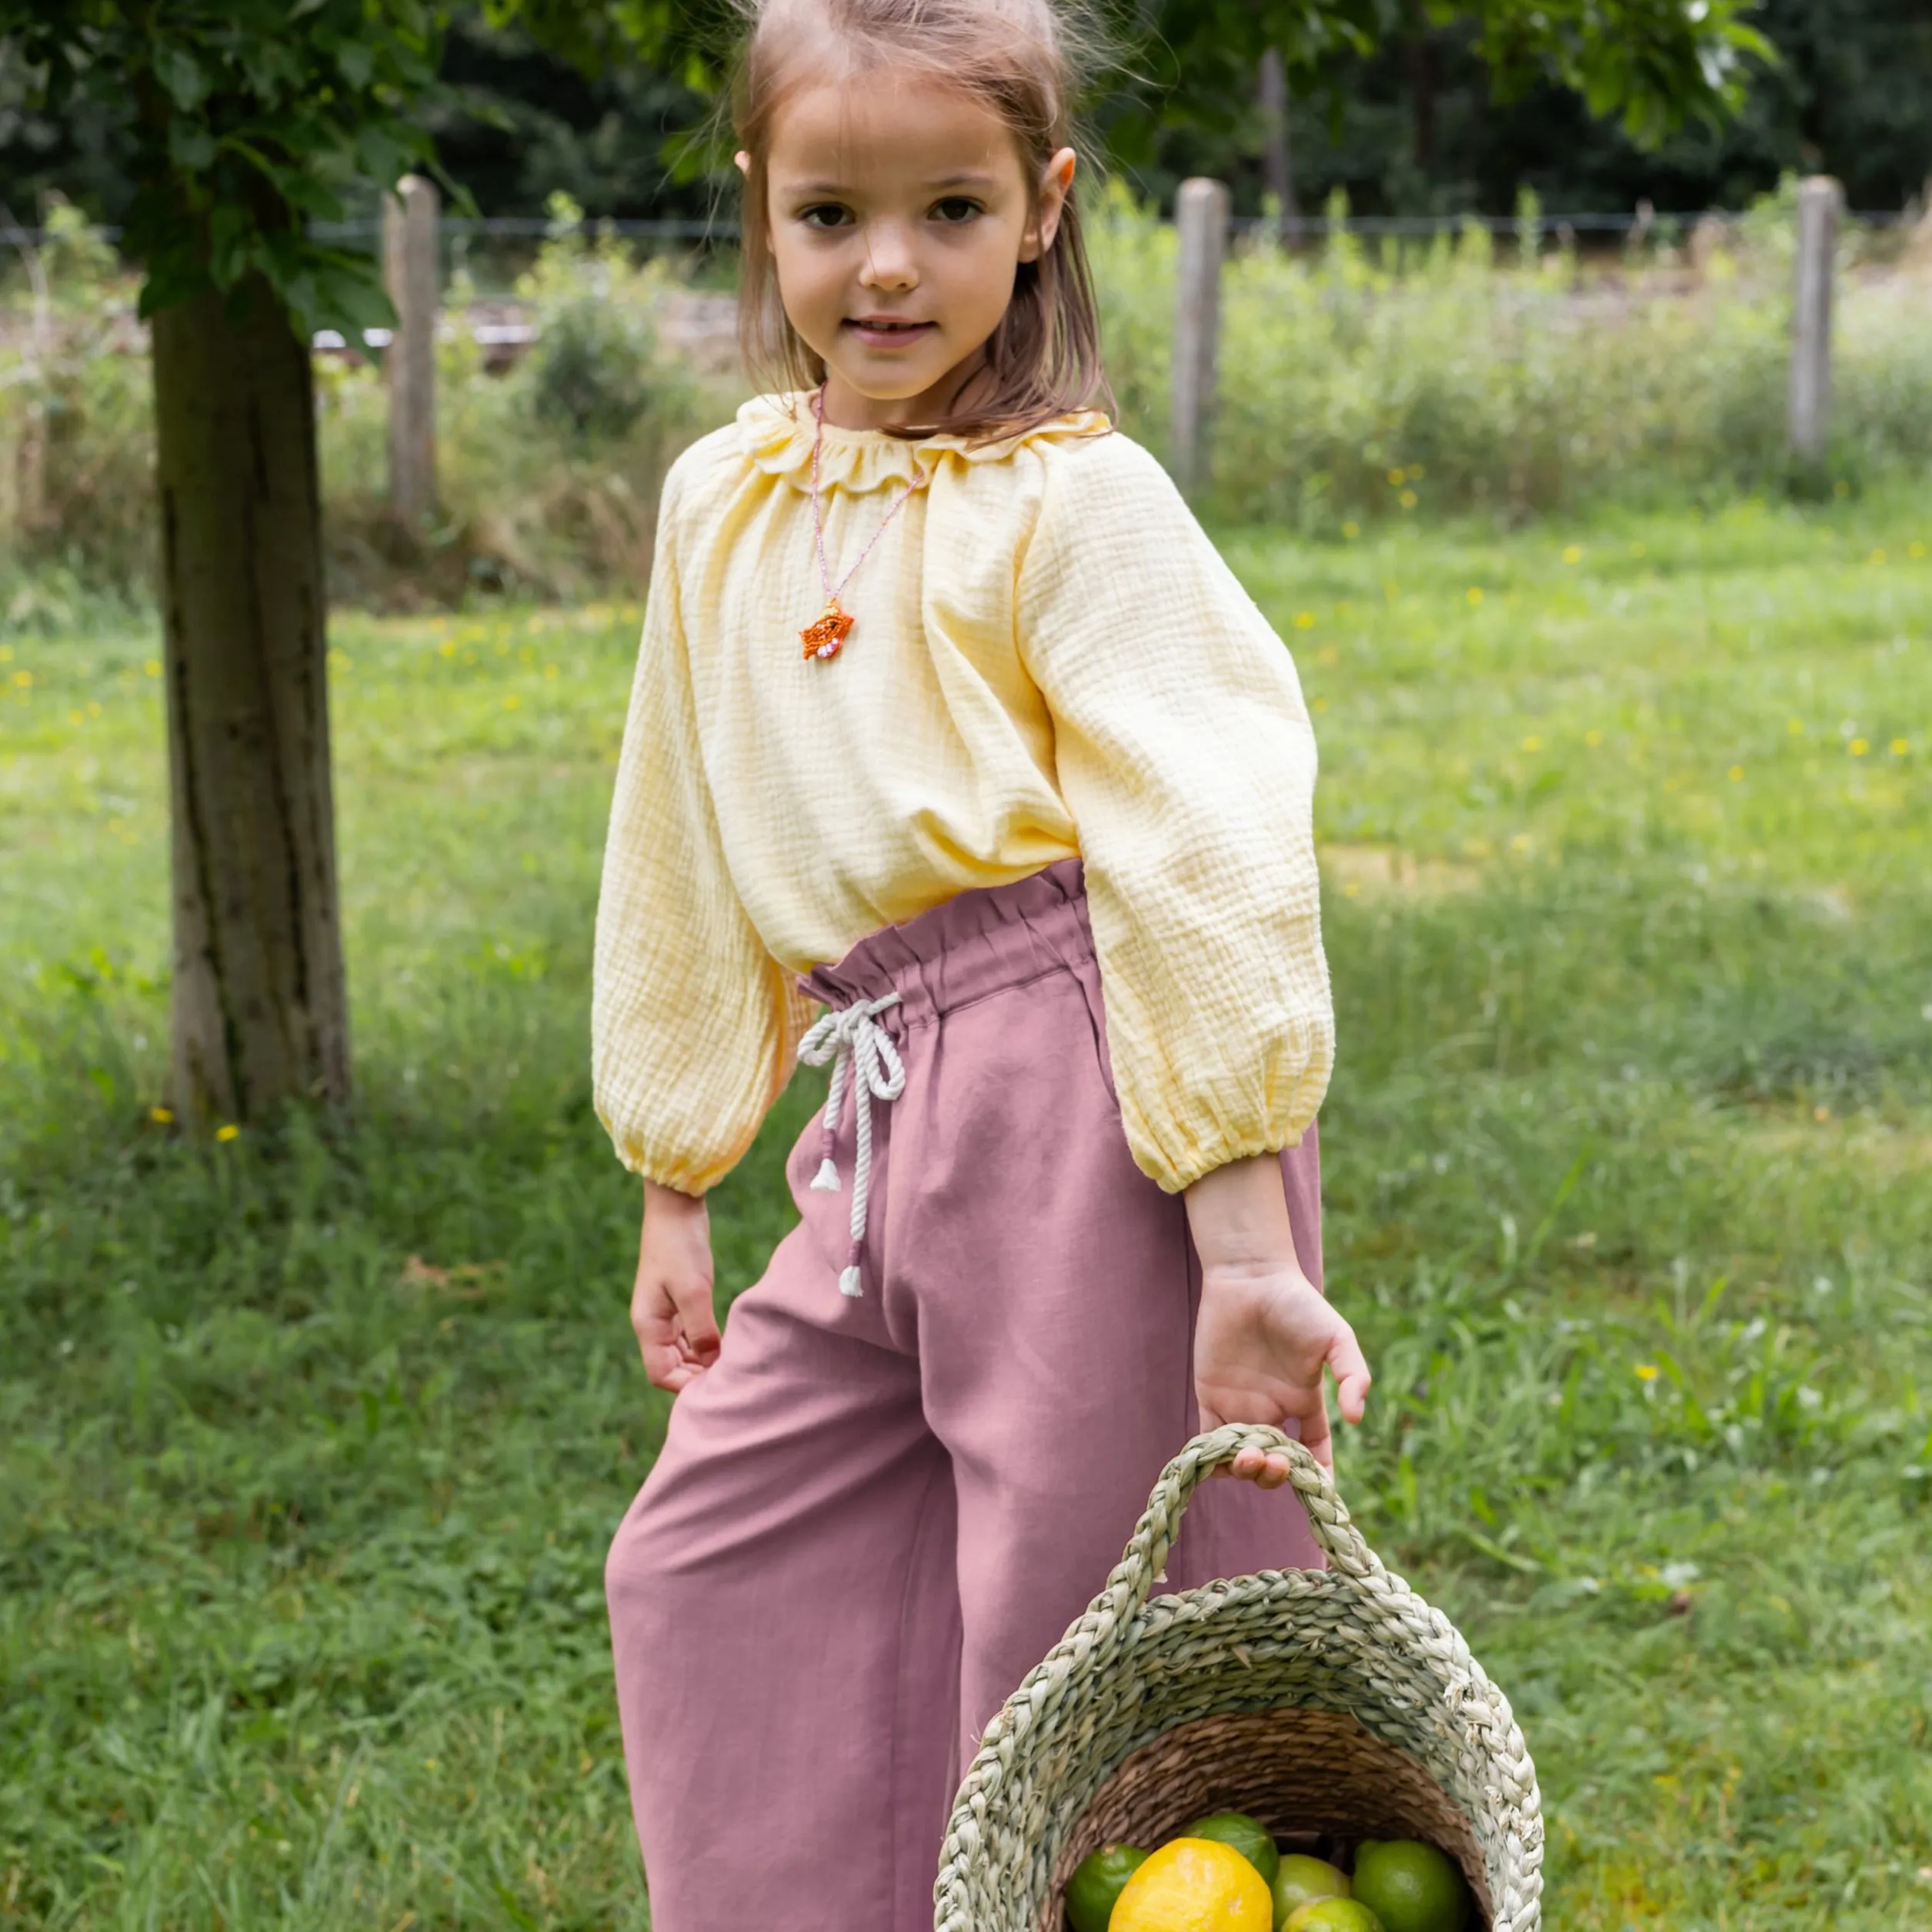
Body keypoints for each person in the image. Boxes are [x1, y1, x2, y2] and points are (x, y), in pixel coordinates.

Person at [592, 1, 1373, 1924]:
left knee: (1072, 1616)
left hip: (1082, 1093)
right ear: (760, 215)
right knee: (716, 1556)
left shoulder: (1074, 505)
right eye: (828, 213)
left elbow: (1204, 858)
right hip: (873, 1100)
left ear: (1042, 210)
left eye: (947, 208)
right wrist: (676, 1165)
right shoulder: (729, 500)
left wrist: (1246, 1250)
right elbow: (680, 829)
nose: (883, 266)